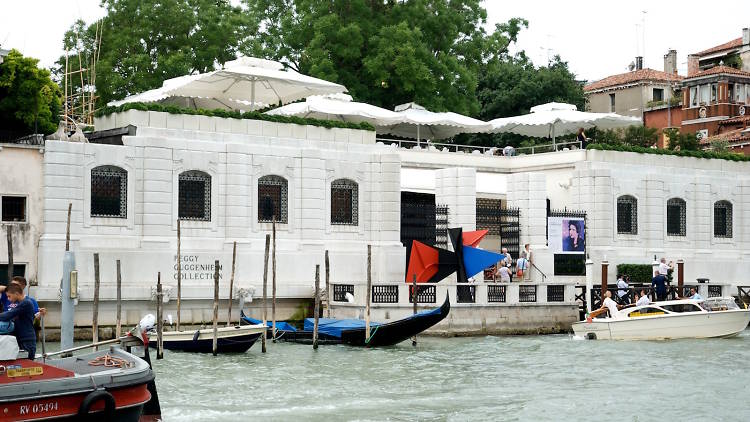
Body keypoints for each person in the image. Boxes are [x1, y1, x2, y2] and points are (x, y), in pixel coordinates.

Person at [0, 283, 37, 359]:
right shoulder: (21, 303)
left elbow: (8, 315)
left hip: (27, 340)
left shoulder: (26, 303)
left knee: (27, 366)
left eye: (9, 296)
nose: (8, 299)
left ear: (16, 294)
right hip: (21, 338)